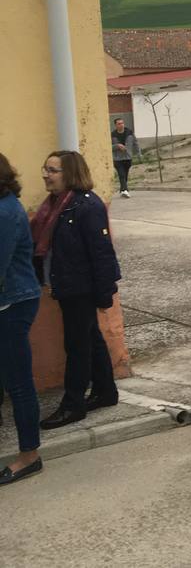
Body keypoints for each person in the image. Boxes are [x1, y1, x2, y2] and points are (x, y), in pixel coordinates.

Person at [32, 151, 120, 429]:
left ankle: (73, 405)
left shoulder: (86, 206)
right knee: (90, 338)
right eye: (45, 169)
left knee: (77, 345)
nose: (46, 174)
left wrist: (105, 292)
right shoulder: (55, 205)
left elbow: (102, 253)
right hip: (67, 284)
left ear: (70, 173)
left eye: (53, 170)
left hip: (80, 287)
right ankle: (106, 391)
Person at [0, 154, 42, 485]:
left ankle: (30, 456)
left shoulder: (5, 212)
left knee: (19, 382)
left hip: (13, 303)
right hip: (9, 300)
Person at [110, 118, 139, 198]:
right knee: (121, 174)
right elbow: (108, 146)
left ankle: (122, 189)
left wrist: (138, 154)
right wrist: (117, 146)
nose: (121, 125)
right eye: (119, 123)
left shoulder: (129, 132)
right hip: (117, 159)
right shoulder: (112, 135)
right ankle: (125, 190)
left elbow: (135, 143)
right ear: (115, 125)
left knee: (125, 175)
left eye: (122, 123)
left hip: (128, 157)